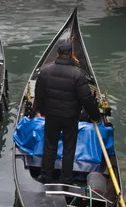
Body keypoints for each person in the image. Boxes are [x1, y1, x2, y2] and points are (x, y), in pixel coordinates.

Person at [34, 39, 100, 184]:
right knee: (69, 149)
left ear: (57, 54)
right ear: (71, 54)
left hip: (51, 116)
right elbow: (86, 99)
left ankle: (46, 177)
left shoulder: (45, 71)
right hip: (70, 118)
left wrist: (43, 111)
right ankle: (67, 179)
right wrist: (95, 115)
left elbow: (39, 95)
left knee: (49, 146)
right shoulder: (77, 74)